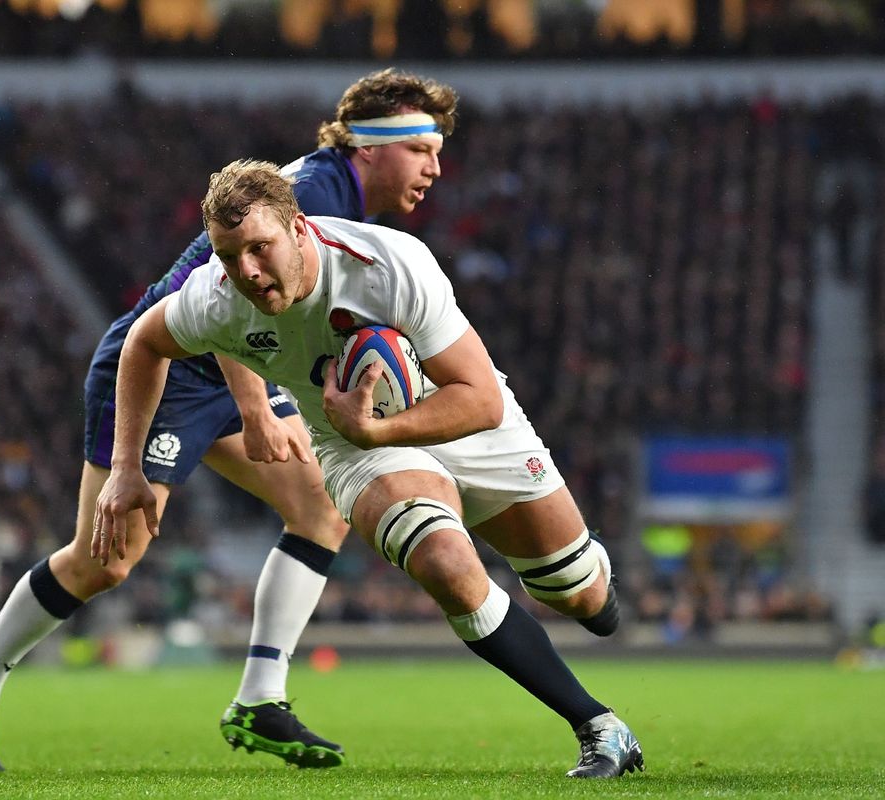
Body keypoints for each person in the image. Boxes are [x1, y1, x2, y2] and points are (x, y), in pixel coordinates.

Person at [0, 69, 465, 771]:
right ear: (372, 147)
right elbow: (225, 299)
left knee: (320, 510)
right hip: (167, 367)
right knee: (105, 562)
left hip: (230, 365)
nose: (435, 165)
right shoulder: (309, 195)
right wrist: (256, 406)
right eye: (422, 148)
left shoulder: (339, 197)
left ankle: (259, 699)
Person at [92, 160, 642, 779]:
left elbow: (481, 398)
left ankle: (586, 578)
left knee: (582, 597)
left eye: (259, 248)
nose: (245, 270)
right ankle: (599, 727)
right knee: (446, 564)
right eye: (228, 255)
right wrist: (123, 468)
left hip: (458, 413)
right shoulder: (215, 296)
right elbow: (143, 343)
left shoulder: (388, 266)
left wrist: (377, 424)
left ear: (299, 229)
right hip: (354, 447)